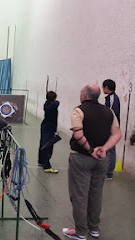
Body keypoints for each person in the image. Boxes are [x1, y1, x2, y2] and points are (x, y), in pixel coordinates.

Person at [62, 84, 121, 240]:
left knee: (79, 196)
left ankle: (80, 232)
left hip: (81, 158)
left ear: (84, 95)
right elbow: (117, 134)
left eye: (81, 92)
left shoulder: (78, 110)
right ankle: (94, 229)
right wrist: (103, 149)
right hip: (102, 160)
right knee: (96, 195)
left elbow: (78, 135)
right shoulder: (110, 112)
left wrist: (90, 151)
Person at [102, 79, 120, 180]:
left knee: (111, 150)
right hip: (108, 127)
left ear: (107, 88)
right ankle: (106, 171)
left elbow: (112, 114)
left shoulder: (113, 98)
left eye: (103, 87)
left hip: (112, 128)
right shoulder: (109, 98)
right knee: (107, 149)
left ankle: (109, 174)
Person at [38, 91, 60, 173]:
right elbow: (57, 103)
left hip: (45, 126)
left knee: (42, 144)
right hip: (49, 128)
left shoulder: (47, 103)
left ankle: (41, 161)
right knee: (47, 145)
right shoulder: (51, 106)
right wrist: (54, 100)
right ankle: (47, 166)